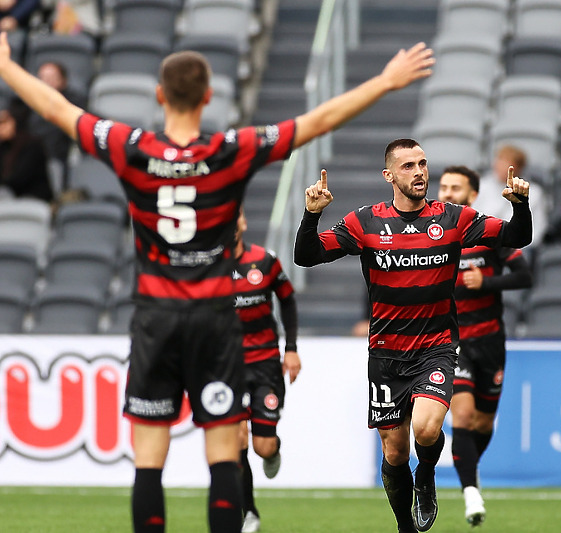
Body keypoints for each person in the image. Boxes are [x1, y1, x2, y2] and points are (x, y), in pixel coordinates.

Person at [0, 29, 434, 533]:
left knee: (149, 461)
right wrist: (384, 81)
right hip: (214, 321)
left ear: (160, 96)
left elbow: (57, 110)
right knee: (223, 456)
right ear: (208, 97)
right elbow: (315, 122)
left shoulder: (131, 146)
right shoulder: (230, 148)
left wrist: (7, 67)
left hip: (156, 318)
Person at [294, 139, 532, 533]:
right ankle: (406, 526)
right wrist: (310, 215)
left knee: (426, 428)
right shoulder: (364, 222)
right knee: (393, 451)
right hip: (386, 354)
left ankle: (427, 476)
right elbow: (308, 255)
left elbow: (515, 237)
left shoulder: (454, 218)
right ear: (389, 175)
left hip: (436, 347)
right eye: (408, 166)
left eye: (423, 164)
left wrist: (520, 205)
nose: (420, 172)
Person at [437, 165, 532, 526]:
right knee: (461, 416)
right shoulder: (430, 236)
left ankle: (469, 471)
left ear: (472, 195)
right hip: (451, 341)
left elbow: (525, 275)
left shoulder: (487, 232)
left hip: (491, 340)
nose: (446, 193)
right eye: (443, 186)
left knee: (483, 422)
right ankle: (470, 492)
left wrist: (487, 281)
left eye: (455, 187)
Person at [231, 209, 300, 533]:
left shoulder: (265, 261)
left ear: (243, 222)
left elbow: (287, 300)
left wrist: (291, 350)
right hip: (225, 366)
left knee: (262, 446)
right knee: (235, 440)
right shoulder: (206, 267)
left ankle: (274, 449)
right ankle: (249, 512)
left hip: (264, 364)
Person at [472, 144, 547, 247]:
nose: (499, 165)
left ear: (518, 167)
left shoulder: (534, 192)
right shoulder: (481, 186)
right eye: (499, 160)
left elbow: (538, 230)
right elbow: (473, 220)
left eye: (505, 162)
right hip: (484, 244)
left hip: (518, 248)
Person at [29, 61, 85, 167]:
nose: (47, 81)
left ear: (63, 80)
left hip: (58, 158)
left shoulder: (73, 102)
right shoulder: (29, 101)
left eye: (52, 78)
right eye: (43, 77)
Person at [0, 97, 51, 201]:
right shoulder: (4, 146)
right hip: (9, 198)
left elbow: (18, 179)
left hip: (34, 199)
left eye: (4, 123)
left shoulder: (33, 146)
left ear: (17, 122)